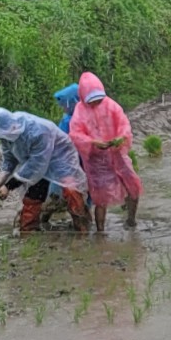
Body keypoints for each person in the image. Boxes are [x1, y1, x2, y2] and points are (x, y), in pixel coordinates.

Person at [0, 108, 89, 233]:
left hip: (59, 157)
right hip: (36, 161)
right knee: (33, 196)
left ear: (12, 127)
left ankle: (82, 229)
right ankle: (29, 231)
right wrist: (0, 181)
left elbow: (36, 165)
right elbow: (9, 159)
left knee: (71, 190)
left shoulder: (39, 132)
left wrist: (8, 186)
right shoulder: (5, 135)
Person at [68, 72, 144, 230]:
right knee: (100, 198)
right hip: (96, 162)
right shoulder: (80, 112)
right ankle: (100, 231)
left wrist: (120, 138)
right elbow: (76, 135)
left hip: (116, 153)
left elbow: (124, 124)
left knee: (132, 185)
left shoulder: (111, 105)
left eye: (98, 99)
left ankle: (131, 220)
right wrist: (93, 142)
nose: (96, 102)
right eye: (93, 100)